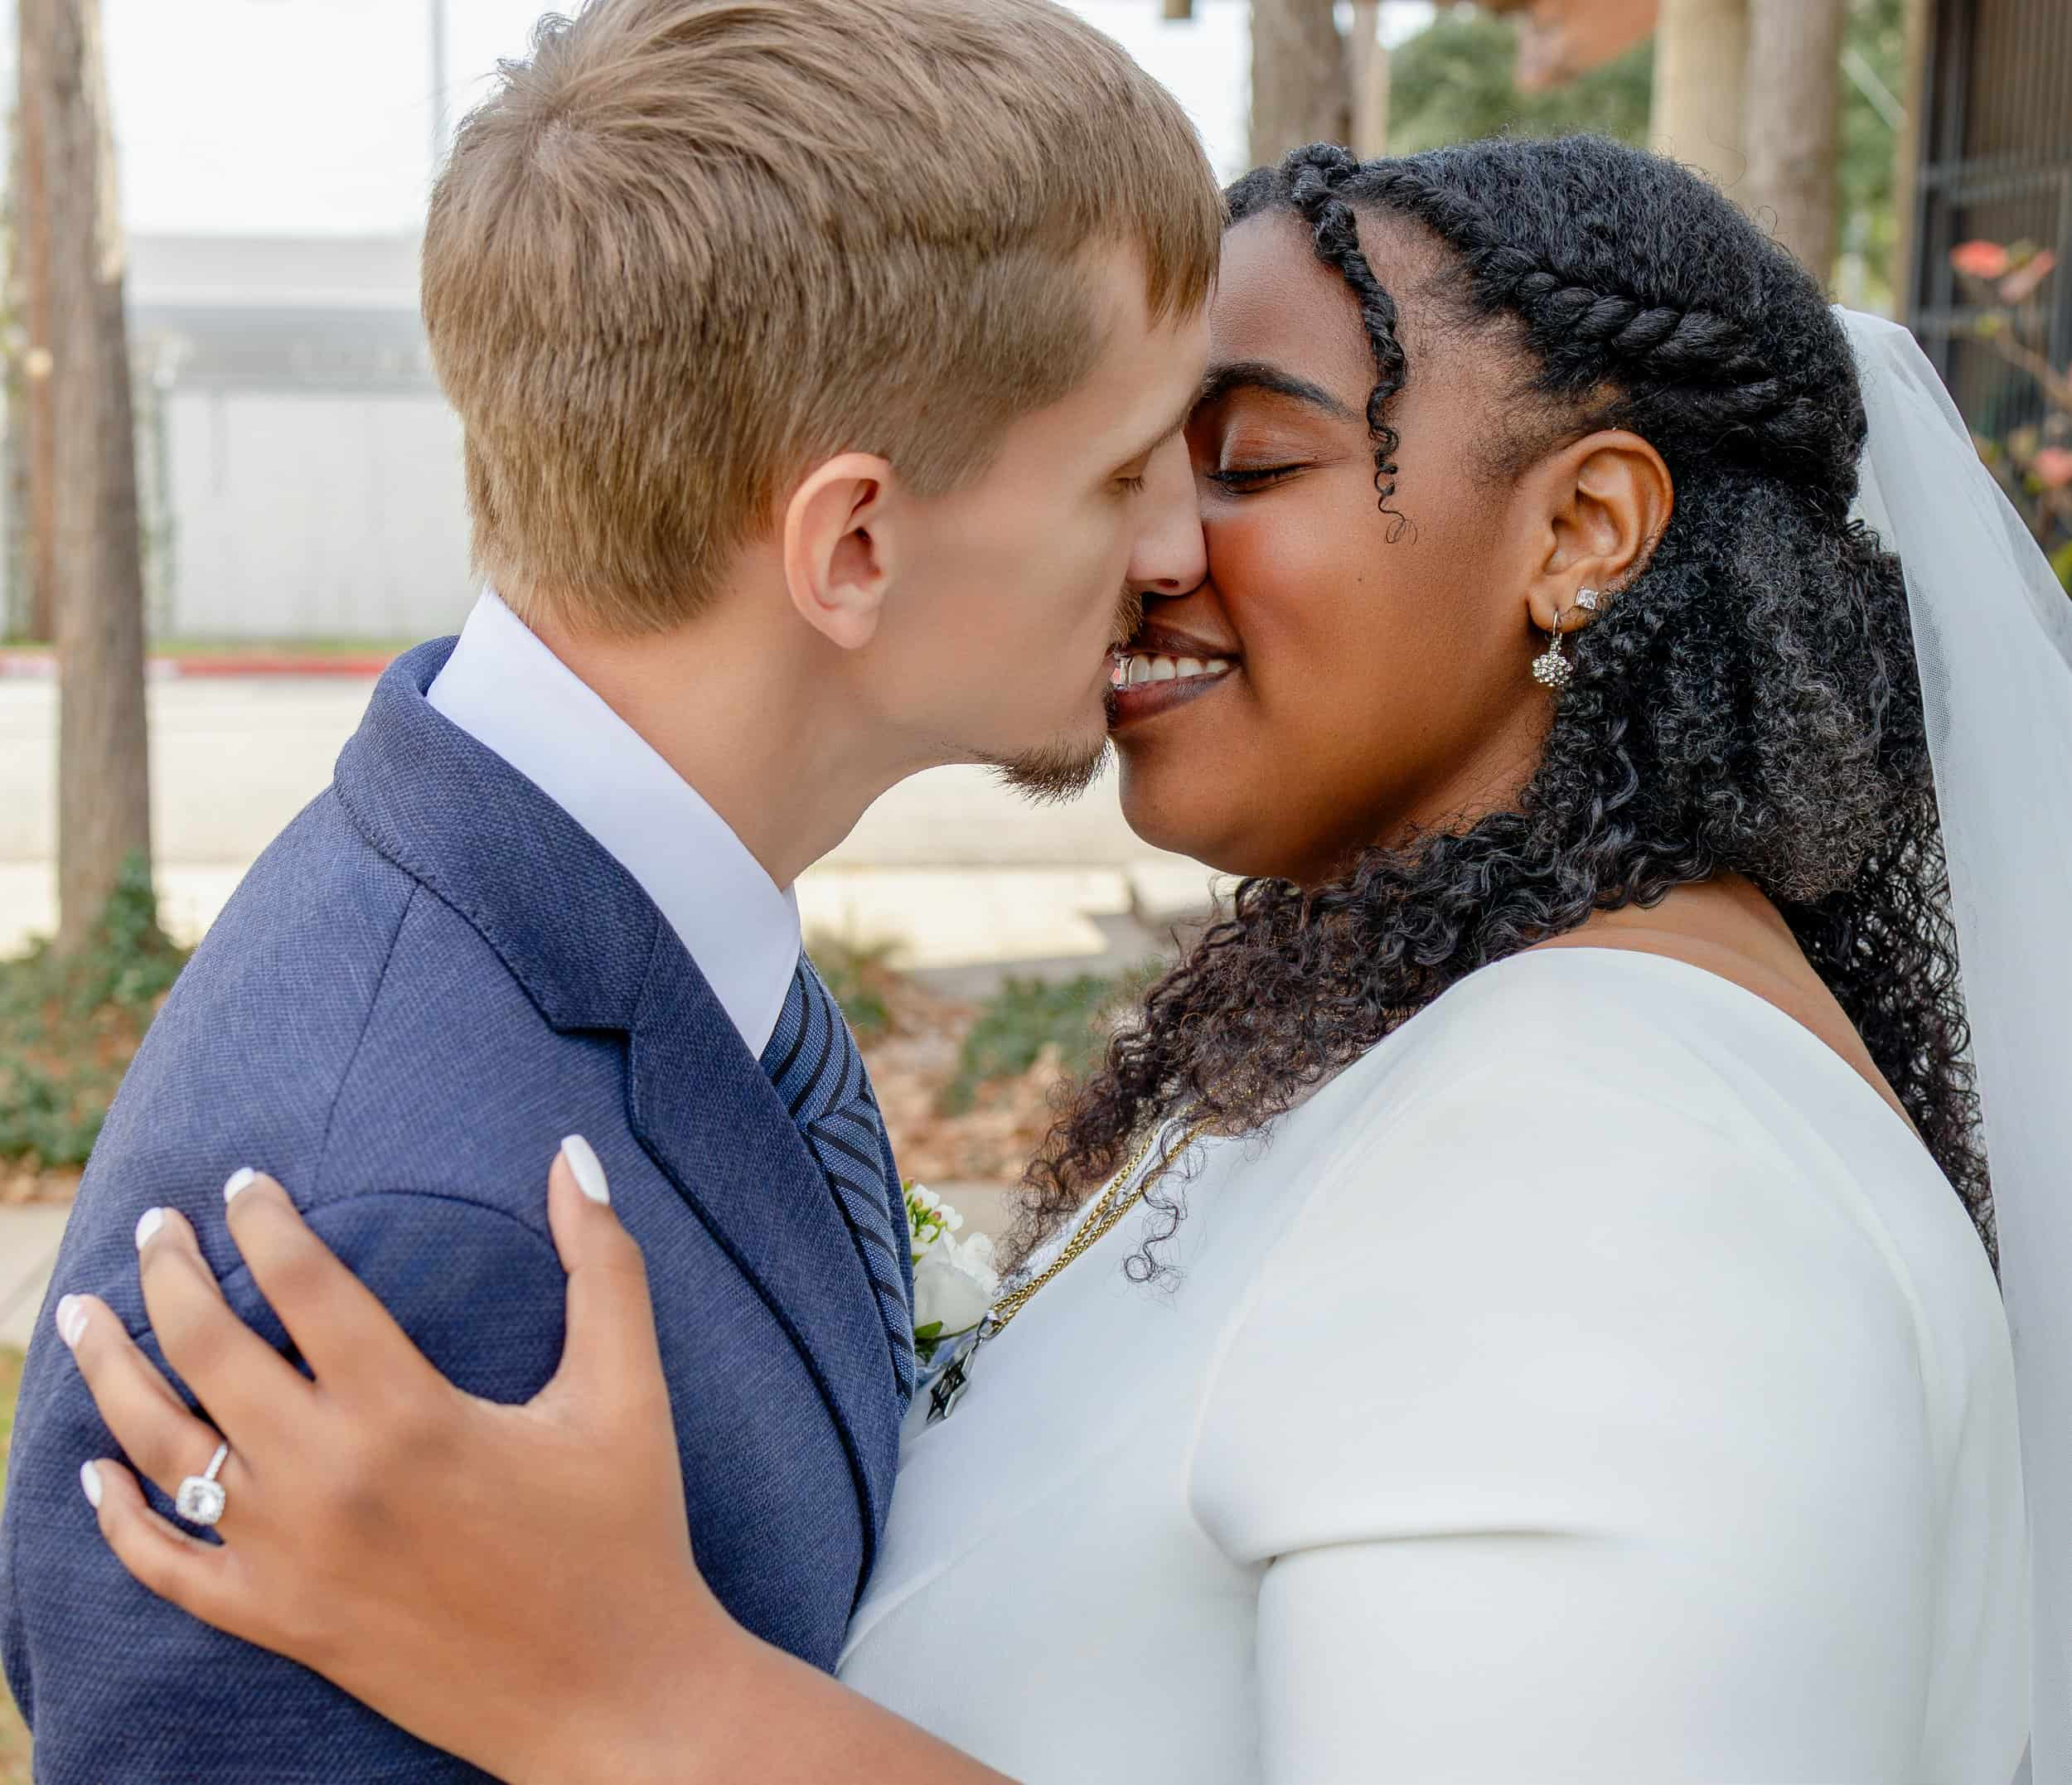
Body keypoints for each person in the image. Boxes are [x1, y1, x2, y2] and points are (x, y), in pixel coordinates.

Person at [38, 134, 2071, 1783]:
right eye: (1130, 463)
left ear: (1583, 529)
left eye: (1244, 462)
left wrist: (636, 1701)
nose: (1150, 548)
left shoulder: (1633, 1174)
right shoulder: (1466, 1039)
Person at [0, 2, 1220, 1778]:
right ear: (851, 545)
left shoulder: (635, 922)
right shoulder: (391, 1250)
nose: (1179, 542)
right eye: (1125, 469)